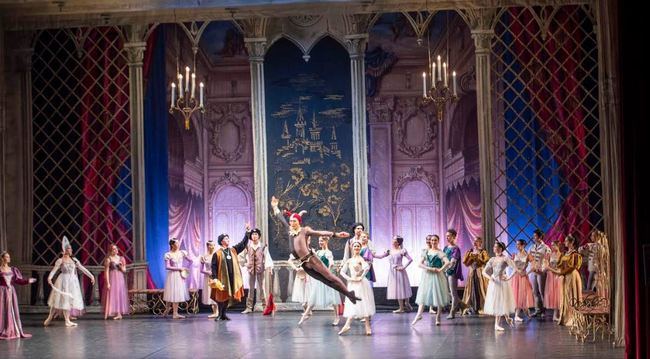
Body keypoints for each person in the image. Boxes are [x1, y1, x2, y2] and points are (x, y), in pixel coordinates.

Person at [270, 196, 359, 303]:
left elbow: (320, 233)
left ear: (298, 222)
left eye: (294, 221)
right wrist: (275, 207)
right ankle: (349, 294)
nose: (291, 223)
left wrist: (336, 234)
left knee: (330, 277)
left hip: (312, 259)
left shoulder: (304, 230)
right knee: (325, 281)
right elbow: (281, 219)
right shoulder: (290, 231)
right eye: (291, 221)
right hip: (304, 264)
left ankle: (348, 294)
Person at [44, 236, 95, 327]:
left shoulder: (74, 260)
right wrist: (49, 278)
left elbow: (82, 268)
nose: (71, 250)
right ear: (65, 249)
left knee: (67, 301)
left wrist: (91, 276)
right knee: (57, 300)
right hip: (63, 280)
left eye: (71, 248)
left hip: (72, 282)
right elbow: (54, 270)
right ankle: (50, 316)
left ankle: (67, 320)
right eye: (69, 248)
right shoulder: (60, 260)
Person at [299, 236, 341, 326]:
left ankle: (337, 316)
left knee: (333, 297)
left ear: (326, 241)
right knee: (313, 297)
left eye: (322, 241)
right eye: (319, 241)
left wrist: (328, 271)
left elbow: (331, 263)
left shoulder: (328, 252)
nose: (320, 242)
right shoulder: (318, 252)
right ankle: (305, 315)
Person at [210, 229, 250, 321]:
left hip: (232, 278)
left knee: (228, 295)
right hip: (222, 278)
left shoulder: (233, 250)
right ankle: (220, 314)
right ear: (222, 241)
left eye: (228, 238)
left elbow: (242, 244)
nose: (228, 240)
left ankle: (224, 314)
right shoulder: (217, 253)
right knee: (221, 296)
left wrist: (247, 233)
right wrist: (215, 278)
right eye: (226, 239)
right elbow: (214, 266)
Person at [338, 241, 375, 336]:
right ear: (352, 248)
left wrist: (361, 277)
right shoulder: (349, 260)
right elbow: (342, 272)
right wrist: (350, 279)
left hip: (361, 284)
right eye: (355, 246)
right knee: (352, 303)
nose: (357, 248)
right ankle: (347, 325)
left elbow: (367, 267)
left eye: (358, 246)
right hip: (352, 284)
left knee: (364, 302)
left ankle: (367, 326)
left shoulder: (361, 259)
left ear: (360, 248)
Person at [412, 235, 450, 326]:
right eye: (432, 240)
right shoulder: (426, 251)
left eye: (435, 240)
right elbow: (420, 264)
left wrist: (440, 270)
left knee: (438, 296)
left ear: (438, 241)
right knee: (423, 295)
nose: (433, 242)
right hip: (428, 275)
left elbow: (447, 262)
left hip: (437, 276)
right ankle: (419, 314)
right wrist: (430, 268)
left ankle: (438, 316)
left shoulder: (439, 252)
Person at [0, 251, 37, 339]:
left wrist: (28, 281)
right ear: (2, 258)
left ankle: (11, 329)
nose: (9, 258)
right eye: (7, 257)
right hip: (2, 292)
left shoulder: (13, 269)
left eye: (9, 257)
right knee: (2, 310)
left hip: (11, 292)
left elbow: (18, 281)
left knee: (11, 310)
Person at [548, 234, 583, 326]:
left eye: (567, 241)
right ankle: (566, 316)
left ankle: (573, 317)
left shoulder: (575, 254)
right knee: (566, 295)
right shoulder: (565, 254)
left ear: (572, 243)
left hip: (572, 276)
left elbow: (572, 267)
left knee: (572, 295)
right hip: (565, 276)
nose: (565, 242)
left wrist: (561, 272)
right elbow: (560, 265)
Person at [482, 241, 517, 331]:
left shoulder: (505, 258)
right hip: (494, 282)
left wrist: (508, 278)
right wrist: (490, 278)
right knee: (497, 301)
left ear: (501, 248)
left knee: (502, 301)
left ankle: (503, 320)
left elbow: (515, 268)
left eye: (496, 247)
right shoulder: (492, 259)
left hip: (502, 282)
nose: (494, 248)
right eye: (494, 247)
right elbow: (484, 272)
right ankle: (502, 321)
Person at [374, 236, 413, 313]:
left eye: (394, 240)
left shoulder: (402, 250)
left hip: (400, 271)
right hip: (392, 272)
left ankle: (406, 303)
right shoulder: (389, 251)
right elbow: (381, 257)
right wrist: (372, 255)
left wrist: (403, 267)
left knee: (403, 287)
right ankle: (401, 307)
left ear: (398, 242)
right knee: (398, 289)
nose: (392, 241)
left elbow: (410, 259)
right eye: (393, 240)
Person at [241, 226, 274, 314]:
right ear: (251, 236)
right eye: (253, 234)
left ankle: (264, 307)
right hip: (251, 270)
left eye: (256, 234)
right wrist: (245, 264)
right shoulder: (248, 246)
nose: (254, 236)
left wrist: (269, 267)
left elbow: (267, 257)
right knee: (251, 289)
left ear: (259, 236)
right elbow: (242, 257)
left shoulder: (263, 246)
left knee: (262, 289)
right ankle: (249, 307)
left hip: (260, 270)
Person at [162, 238, 191, 319]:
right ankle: (170, 311)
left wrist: (186, 269)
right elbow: (167, 267)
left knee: (176, 293)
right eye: (176, 243)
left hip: (180, 275)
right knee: (171, 293)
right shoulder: (168, 254)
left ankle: (173, 312)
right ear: (172, 245)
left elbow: (191, 261)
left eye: (178, 243)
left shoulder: (182, 253)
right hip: (173, 275)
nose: (178, 245)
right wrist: (180, 268)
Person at [461, 237, 489, 315]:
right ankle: (470, 307)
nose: (475, 243)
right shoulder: (470, 251)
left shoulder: (483, 252)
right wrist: (471, 257)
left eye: (477, 241)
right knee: (471, 288)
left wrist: (477, 257)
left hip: (480, 271)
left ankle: (482, 306)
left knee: (481, 288)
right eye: (474, 241)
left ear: (480, 242)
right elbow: (466, 263)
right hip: (472, 271)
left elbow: (485, 261)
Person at [102, 244, 129, 320]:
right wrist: (108, 283)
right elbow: (106, 271)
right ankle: (108, 312)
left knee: (119, 294)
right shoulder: (109, 259)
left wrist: (121, 266)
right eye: (113, 249)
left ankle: (119, 314)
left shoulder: (121, 258)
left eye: (116, 248)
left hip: (120, 278)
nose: (116, 250)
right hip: (112, 278)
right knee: (112, 294)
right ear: (110, 251)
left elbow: (124, 270)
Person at [528, 229, 550, 317]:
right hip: (533, 271)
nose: (534, 238)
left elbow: (547, 260)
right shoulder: (531, 247)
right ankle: (537, 310)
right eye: (533, 236)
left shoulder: (546, 248)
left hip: (541, 272)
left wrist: (542, 269)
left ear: (540, 237)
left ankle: (544, 310)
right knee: (535, 291)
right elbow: (529, 258)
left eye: (535, 236)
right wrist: (532, 267)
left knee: (542, 291)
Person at [512, 239, 534, 321]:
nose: (516, 246)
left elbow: (534, 266)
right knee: (516, 295)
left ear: (523, 245)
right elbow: (513, 266)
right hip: (516, 277)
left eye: (518, 244)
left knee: (522, 295)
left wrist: (527, 273)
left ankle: (525, 312)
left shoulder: (528, 255)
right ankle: (516, 315)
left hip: (523, 277)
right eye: (516, 244)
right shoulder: (515, 254)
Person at [443, 229, 463, 319]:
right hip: (444, 271)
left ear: (454, 237)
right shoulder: (446, 248)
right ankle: (463, 305)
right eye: (446, 236)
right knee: (447, 292)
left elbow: (452, 262)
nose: (447, 237)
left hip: (452, 272)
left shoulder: (456, 249)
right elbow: (443, 259)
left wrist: (446, 269)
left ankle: (452, 312)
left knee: (453, 292)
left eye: (449, 236)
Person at [542, 240, 563, 322]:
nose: (552, 247)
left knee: (558, 294)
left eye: (554, 245)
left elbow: (561, 267)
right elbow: (545, 266)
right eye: (551, 245)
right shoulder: (549, 255)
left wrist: (555, 270)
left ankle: (558, 314)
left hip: (558, 275)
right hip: (551, 276)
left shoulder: (561, 255)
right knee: (553, 294)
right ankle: (555, 315)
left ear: (558, 245)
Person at [200, 240, 219, 318]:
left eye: (213, 245)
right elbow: (201, 269)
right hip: (208, 277)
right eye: (211, 245)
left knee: (216, 292)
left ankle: (217, 311)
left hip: (216, 276)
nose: (212, 247)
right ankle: (214, 311)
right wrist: (208, 272)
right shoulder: (204, 256)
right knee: (210, 293)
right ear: (207, 246)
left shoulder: (217, 255)